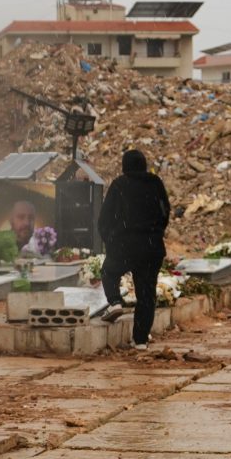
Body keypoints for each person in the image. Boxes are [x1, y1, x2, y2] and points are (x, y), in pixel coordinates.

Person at [95, 148, 170, 347]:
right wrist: (155, 233)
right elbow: (165, 212)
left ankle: (115, 302)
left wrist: (110, 242)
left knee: (109, 272)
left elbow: (104, 219)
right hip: (151, 246)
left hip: (124, 244)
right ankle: (140, 340)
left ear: (124, 165)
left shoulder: (119, 185)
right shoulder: (155, 183)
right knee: (146, 293)